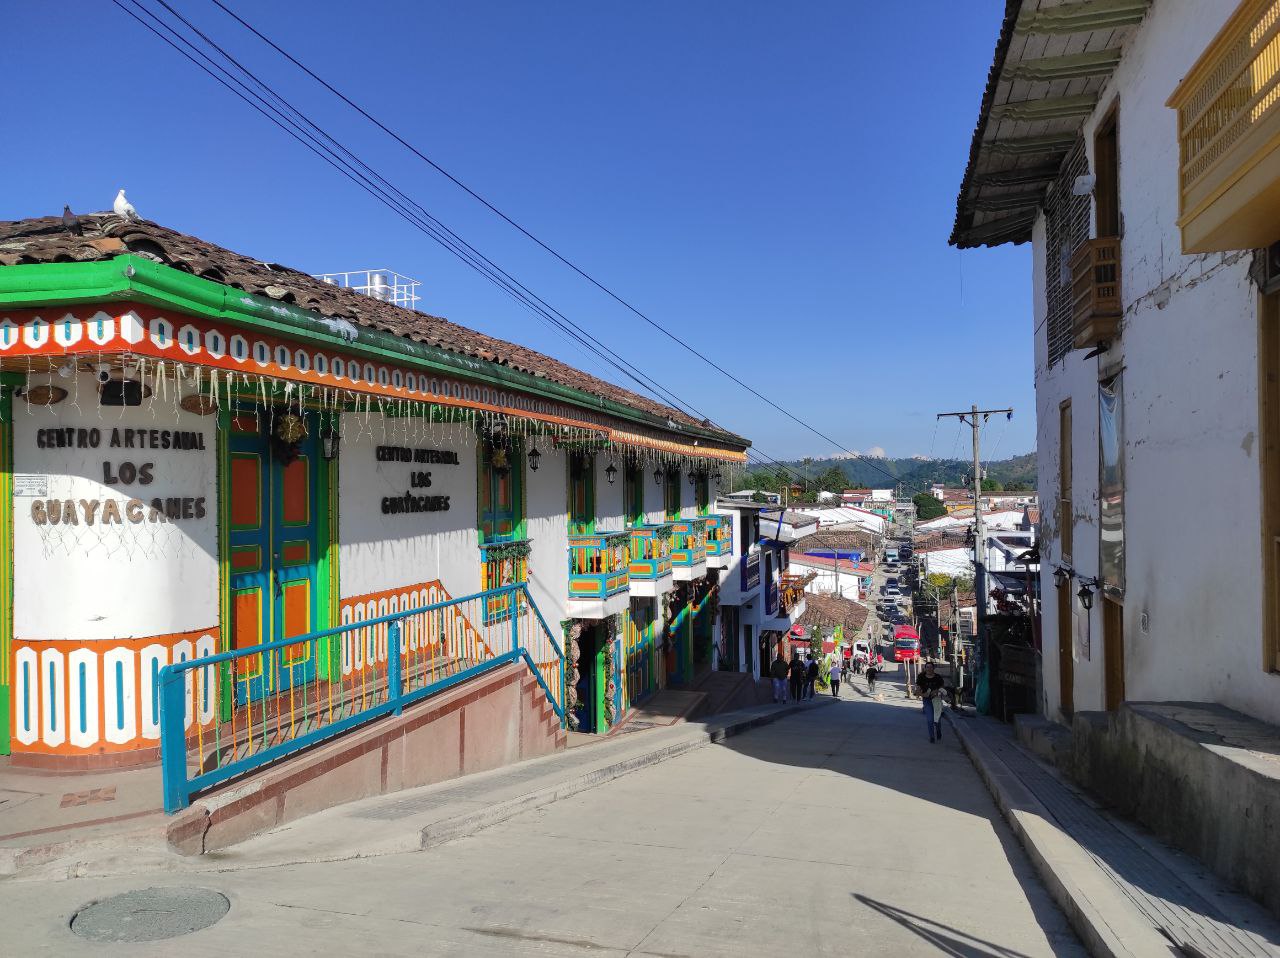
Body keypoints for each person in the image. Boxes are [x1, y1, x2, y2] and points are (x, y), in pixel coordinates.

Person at [916, 660, 946, 743]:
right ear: (925, 668)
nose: (929, 669)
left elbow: (942, 687)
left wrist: (937, 692)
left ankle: (938, 731)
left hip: (937, 700)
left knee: (937, 719)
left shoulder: (938, 677)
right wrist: (921, 694)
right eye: (927, 667)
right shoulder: (921, 677)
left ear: (934, 668)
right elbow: (918, 689)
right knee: (930, 719)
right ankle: (932, 737)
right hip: (927, 700)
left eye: (931, 667)